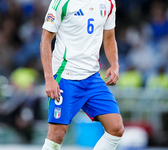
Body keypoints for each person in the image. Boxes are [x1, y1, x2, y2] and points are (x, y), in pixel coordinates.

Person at [40, 0, 124, 149]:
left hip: (92, 77)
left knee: (116, 128)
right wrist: (49, 79)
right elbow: (46, 39)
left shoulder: (108, 2)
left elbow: (109, 37)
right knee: (56, 135)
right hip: (65, 77)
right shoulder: (62, 2)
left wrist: (114, 64)